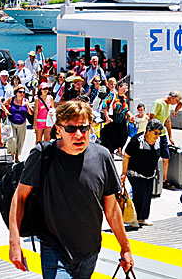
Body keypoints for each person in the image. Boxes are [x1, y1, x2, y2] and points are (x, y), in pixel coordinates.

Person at [9, 100, 133, 278]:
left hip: (90, 252)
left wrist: (125, 248)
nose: (79, 135)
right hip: (54, 248)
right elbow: (19, 198)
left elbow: (112, 209)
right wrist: (14, 242)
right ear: (59, 130)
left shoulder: (102, 156)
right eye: (71, 129)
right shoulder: (43, 155)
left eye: (84, 128)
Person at [121, 119, 163, 227]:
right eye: (155, 133)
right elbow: (126, 156)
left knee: (148, 195)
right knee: (140, 193)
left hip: (150, 173)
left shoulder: (158, 141)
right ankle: (134, 217)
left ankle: (143, 218)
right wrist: (124, 173)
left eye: (159, 133)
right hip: (135, 172)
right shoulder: (137, 140)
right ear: (148, 130)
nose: (157, 136)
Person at [149, 91, 182, 189]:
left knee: (166, 157)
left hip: (162, 135)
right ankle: (153, 178)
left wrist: (170, 136)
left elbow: (168, 121)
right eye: (177, 101)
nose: (177, 103)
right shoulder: (158, 103)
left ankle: (164, 180)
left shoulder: (169, 106)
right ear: (172, 98)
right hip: (155, 134)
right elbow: (152, 117)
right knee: (153, 156)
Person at [100, 78, 132, 157]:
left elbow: (126, 109)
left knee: (125, 134)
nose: (125, 91)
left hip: (121, 119)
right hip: (112, 118)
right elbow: (104, 106)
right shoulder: (112, 95)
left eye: (126, 89)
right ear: (119, 88)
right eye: (124, 89)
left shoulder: (124, 98)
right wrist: (107, 117)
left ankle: (119, 149)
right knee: (111, 136)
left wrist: (131, 116)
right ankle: (111, 152)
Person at [4, 81, 33, 162]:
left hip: (22, 124)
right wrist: (6, 111)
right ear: (16, 92)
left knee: (20, 141)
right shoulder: (12, 99)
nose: (22, 93)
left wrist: (28, 106)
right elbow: (3, 105)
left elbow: (31, 113)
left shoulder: (26, 101)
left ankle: (17, 156)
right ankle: (12, 156)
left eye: (23, 92)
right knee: (12, 139)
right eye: (20, 92)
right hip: (12, 123)